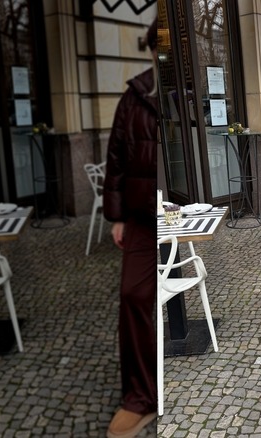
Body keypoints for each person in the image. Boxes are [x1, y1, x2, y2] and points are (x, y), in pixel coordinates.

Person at [103, 18, 158, 438]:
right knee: (133, 294)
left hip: (172, 212)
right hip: (139, 218)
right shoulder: (135, 96)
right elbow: (117, 157)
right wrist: (118, 215)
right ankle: (140, 396)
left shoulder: (186, 97)